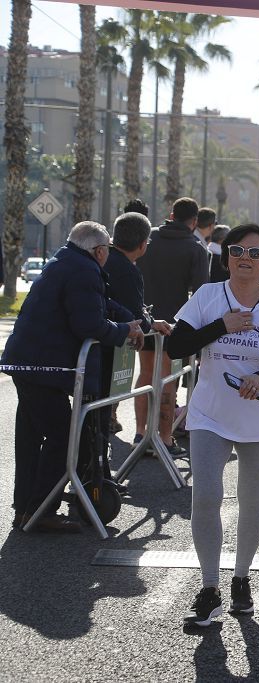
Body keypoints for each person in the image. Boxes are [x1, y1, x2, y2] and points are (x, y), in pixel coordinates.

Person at [165, 224, 259, 627]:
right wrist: (221, 326)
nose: (246, 258)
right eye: (238, 250)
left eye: (255, 253)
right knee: (205, 496)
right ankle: (210, 589)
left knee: (251, 500)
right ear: (226, 257)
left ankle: (241, 577)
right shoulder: (209, 297)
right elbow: (176, 347)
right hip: (210, 413)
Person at [3, 221, 143, 532]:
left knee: (31, 441)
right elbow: (89, 324)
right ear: (100, 250)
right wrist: (125, 331)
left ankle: (27, 510)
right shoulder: (84, 269)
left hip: (29, 364)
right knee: (62, 438)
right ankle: (41, 511)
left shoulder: (66, 260)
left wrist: (132, 320)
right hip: (44, 368)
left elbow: (101, 304)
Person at [135, 196, 211, 458]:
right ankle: (164, 438)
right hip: (174, 324)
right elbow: (201, 292)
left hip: (144, 319)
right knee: (168, 379)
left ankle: (139, 432)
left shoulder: (149, 238)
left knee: (145, 374)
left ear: (171, 213)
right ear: (194, 222)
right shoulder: (196, 248)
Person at [103, 213, 173, 473]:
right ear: (144, 244)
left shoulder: (104, 259)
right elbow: (132, 311)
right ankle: (95, 479)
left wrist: (147, 321)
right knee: (95, 417)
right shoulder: (127, 270)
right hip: (105, 348)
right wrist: (148, 322)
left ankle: (95, 475)